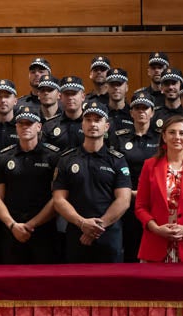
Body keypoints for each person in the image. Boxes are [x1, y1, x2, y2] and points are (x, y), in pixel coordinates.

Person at [52, 101, 133, 263]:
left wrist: (96, 228)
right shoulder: (67, 159)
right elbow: (59, 200)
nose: (93, 124)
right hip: (77, 233)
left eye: (98, 120)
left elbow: (124, 200)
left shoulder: (117, 160)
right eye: (88, 120)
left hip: (109, 234)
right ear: (82, 124)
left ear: (106, 126)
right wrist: (83, 224)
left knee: (111, 279)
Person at [134, 116, 183, 263]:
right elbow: (140, 207)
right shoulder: (149, 165)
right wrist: (156, 228)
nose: (177, 137)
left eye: (182, 133)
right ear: (164, 137)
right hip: (155, 242)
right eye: (172, 132)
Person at [0, 104, 62, 264]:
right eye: (21, 123)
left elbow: (58, 198)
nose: (25, 127)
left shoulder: (53, 157)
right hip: (12, 229)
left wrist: (31, 225)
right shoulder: (4, 157)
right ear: (16, 127)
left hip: (44, 230)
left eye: (29, 123)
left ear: (39, 127)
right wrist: (12, 225)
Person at [112, 90, 162, 262]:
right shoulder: (119, 137)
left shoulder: (160, 138)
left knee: (154, 248)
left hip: (154, 201)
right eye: (137, 108)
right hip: (127, 201)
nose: (141, 111)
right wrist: (129, 193)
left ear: (152, 112)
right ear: (131, 112)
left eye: (145, 108)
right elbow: (114, 169)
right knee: (130, 249)